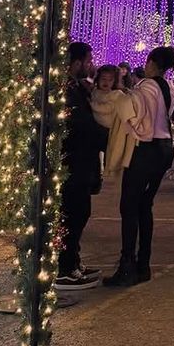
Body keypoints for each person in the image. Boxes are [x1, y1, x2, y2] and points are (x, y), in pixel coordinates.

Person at [104, 47, 174, 288]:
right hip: (164, 149)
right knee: (145, 206)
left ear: (152, 63)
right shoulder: (171, 88)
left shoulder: (146, 86)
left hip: (145, 151)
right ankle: (143, 264)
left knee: (129, 206)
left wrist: (118, 95)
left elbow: (136, 115)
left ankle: (127, 267)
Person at [55, 42, 103, 291]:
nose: (91, 64)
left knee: (80, 213)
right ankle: (63, 269)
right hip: (72, 165)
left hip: (81, 165)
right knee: (72, 215)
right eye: (88, 60)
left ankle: (73, 262)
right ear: (76, 63)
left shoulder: (77, 88)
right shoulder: (66, 91)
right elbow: (82, 126)